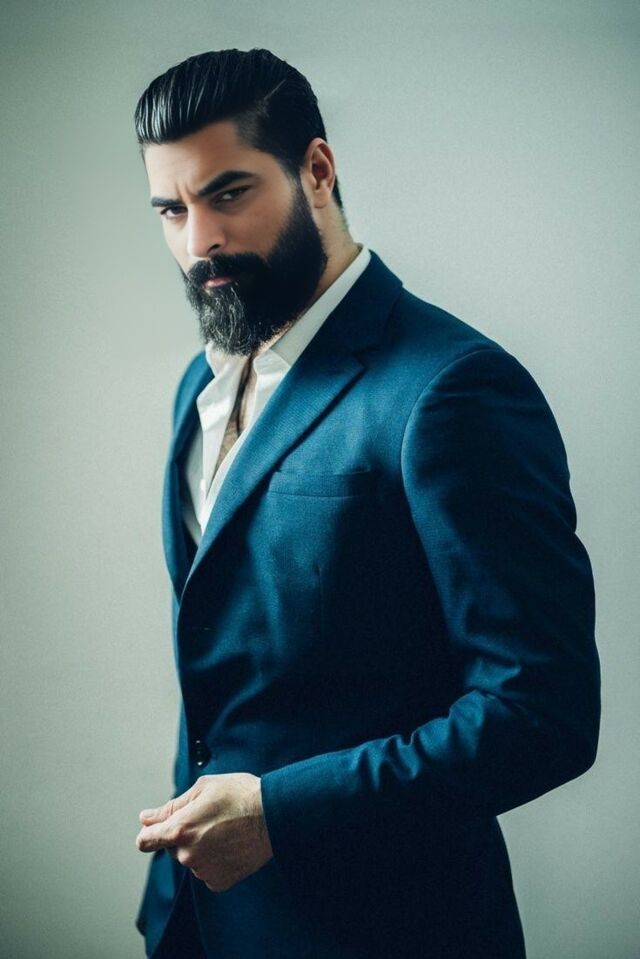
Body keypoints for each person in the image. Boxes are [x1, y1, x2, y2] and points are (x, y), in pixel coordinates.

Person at [132, 48, 600, 959]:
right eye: (171, 210)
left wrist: (280, 813)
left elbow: (541, 711)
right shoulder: (202, 381)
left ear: (317, 169)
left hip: (390, 930)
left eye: (229, 193)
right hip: (198, 924)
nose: (199, 243)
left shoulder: (453, 388)